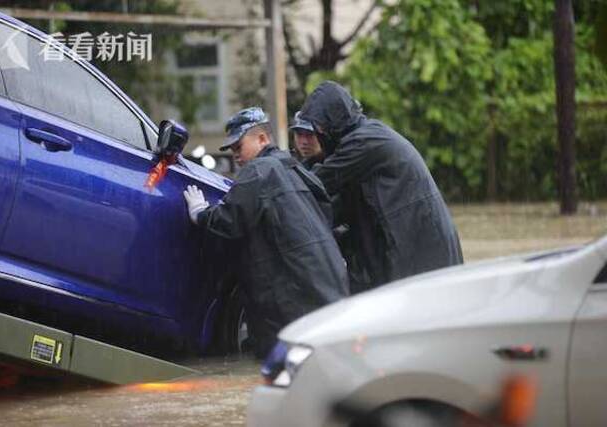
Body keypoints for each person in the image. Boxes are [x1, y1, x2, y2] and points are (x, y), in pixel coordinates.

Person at [183, 107, 349, 358]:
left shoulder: (258, 171)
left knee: (282, 376)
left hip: (292, 303)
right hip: (330, 291)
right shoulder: (297, 169)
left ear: (262, 139)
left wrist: (201, 213)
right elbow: (326, 212)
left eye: (239, 146)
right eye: (233, 150)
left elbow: (229, 220)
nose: (236, 156)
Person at [299, 81, 463, 294]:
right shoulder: (363, 136)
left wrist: (276, 175)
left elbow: (318, 181)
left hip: (424, 244)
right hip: (417, 238)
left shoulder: (363, 142)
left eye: (320, 127)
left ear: (334, 122)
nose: (317, 133)